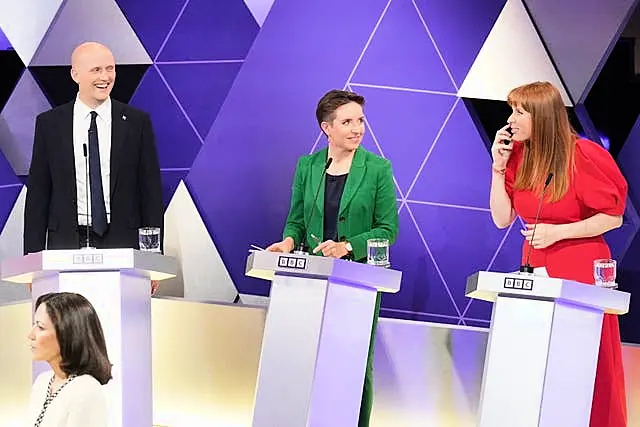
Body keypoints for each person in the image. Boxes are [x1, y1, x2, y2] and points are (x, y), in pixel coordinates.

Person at [490, 81, 627, 427]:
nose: (511, 119)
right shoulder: (518, 156)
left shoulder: (583, 155)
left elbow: (614, 217)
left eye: (519, 111)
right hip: (535, 269)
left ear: (542, 116)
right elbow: (501, 218)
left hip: (580, 266)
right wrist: (497, 167)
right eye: (513, 110)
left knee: (581, 364)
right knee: (537, 367)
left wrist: (558, 232)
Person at [266, 89, 399, 426]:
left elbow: (388, 229)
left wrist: (347, 246)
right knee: (310, 356)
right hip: (312, 281)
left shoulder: (378, 169)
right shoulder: (308, 166)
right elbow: (297, 218)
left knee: (356, 362)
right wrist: (287, 241)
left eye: (360, 121)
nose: (357, 129)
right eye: (348, 122)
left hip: (358, 282)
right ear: (327, 128)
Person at [24, 41, 163, 255]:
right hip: (66, 244)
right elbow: (38, 195)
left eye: (110, 69)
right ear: (75, 74)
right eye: (96, 70)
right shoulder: (50, 124)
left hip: (124, 244)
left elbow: (150, 192)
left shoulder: (136, 122)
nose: (105, 77)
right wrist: (31, 260)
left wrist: (154, 257)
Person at [27, 292, 112, 426]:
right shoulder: (42, 382)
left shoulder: (85, 389)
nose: (31, 335)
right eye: (34, 324)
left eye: (41, 327)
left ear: (67, 334)